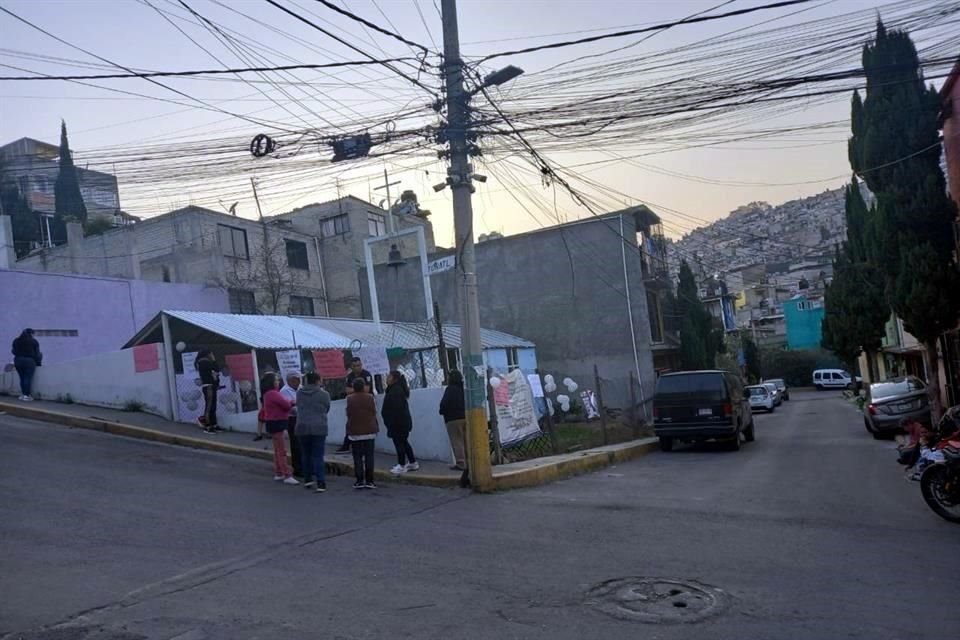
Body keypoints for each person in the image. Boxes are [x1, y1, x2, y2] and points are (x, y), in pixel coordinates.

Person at [296, 373, 331, 493]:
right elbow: (327, 408)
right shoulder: (324, 394)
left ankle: (308, 479)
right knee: (318, 456)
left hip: (302, 427)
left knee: (305, 454)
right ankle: (321, 482)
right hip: (319, 427)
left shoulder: (299, 393)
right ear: (317, 381)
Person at [262, 373, 299, 485]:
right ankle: (286, 474)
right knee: (281, 450)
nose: (278, 382)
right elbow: (286, 405)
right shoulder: (273, 394)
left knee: (277, 449)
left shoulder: (267, 394)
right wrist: (292, 402)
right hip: (278, 423)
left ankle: (279, 472)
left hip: (272, 422)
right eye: (276, 380)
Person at [382, 370, 419, 475]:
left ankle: (402, 465)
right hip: (401, 423)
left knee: (399, 444)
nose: (387, 378)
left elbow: (396, 409)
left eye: (389, 376)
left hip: (398, 424)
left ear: (394, 379)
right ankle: (412, 462)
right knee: (404, 442)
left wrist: (392, 423)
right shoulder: (394, 390)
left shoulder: (395, 391)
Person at [335, 357, 374, 454]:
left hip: (366, 402)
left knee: (366, 424)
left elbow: (367, 390)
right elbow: (347, 391)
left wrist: (354, 390)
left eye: (359, 365)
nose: (358, 368)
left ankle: (364, 447)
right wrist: (358, 389)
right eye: (355, 366)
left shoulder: (366, 374)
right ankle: (347, 445)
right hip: (354, 403)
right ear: (351, 367)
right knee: (351, 423)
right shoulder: (350, 376)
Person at [346, 378, 379, 489]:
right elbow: (375, 411)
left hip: (355, 432)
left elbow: (348, 413)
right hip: (369, 430)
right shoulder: (370, 397)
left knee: (357, 457)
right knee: (369, 456)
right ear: (364, 386)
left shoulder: (349, 398)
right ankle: (370, 481)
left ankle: (359, 480)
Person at [440, 369, 467, 471]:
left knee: (457, 442)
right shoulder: (463, 389)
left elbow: (444, 404)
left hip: (453, 419)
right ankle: (469, 462)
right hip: (465, 416)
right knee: (465, 441)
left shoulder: (450, 389)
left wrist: (442, 411)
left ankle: (461, 464)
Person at [280, 372, 303, 477]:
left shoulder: (301, 388)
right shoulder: (284, 391)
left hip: (302, 418)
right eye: (296, 379)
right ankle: (298, 468)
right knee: (296, 444)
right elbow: (289, 407)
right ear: (290, 380)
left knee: (303, 444)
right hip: (292, 419)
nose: (298, 381)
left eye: (299, 379)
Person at [195, 350, 221, 435]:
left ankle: (214, 424)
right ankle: (208, 426)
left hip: (211, 385)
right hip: (208, 386)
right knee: (209, 407)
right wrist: (213, 360)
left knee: (213, 406)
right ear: (207, 354)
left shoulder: (204, 362)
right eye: (210, 353)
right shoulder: (203, 362)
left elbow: (215, 370)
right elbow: (216, 368)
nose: (211, 355)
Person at [11, 328, 41, 402]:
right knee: (27, 378)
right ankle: (26, 395)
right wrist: (38, 363)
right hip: (29, 361)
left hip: (18, 360)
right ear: (31, 334)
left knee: (22, 378)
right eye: (33, 334)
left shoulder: (16, 341)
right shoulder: (34, 341)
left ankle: (23, 394)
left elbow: (13, 351)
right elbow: (37, 354)